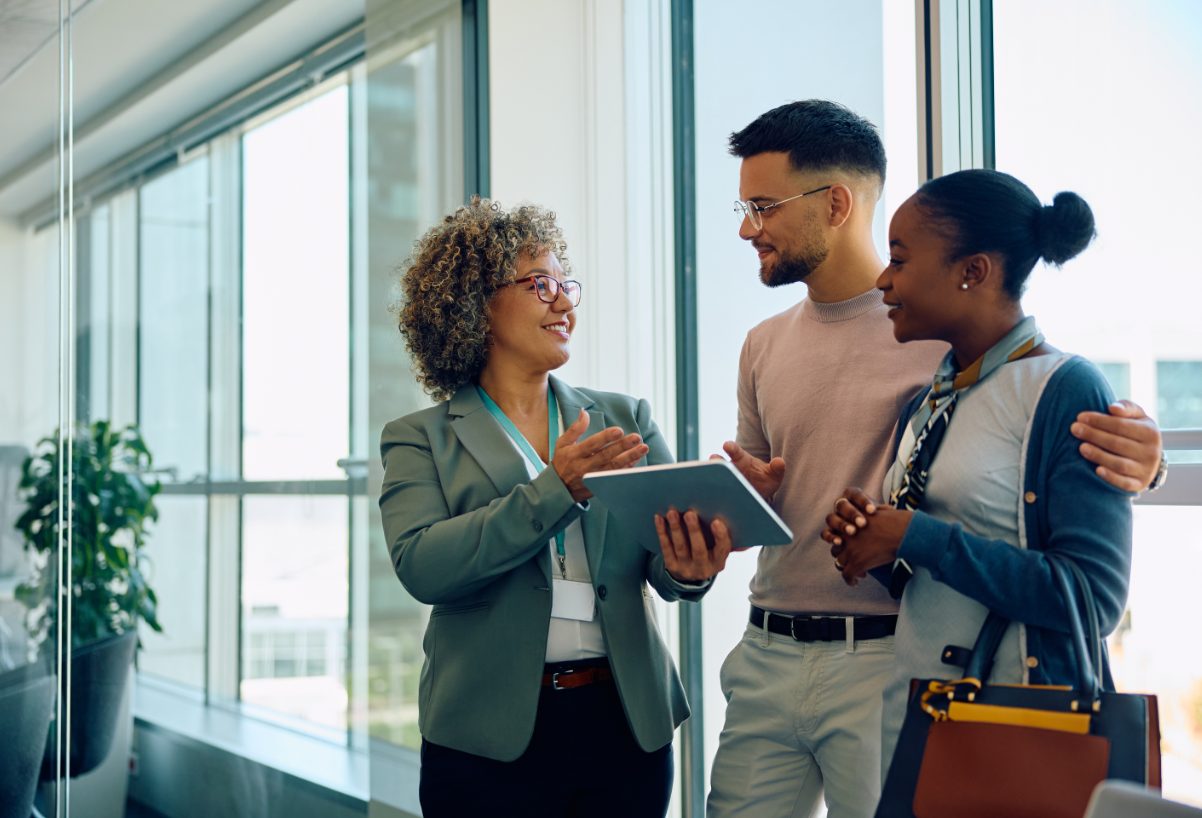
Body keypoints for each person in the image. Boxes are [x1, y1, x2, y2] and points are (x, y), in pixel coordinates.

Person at [706, 100, 1163, 818]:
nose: (746, 226)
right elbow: (930, 528)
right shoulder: (931, 379)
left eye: (763, 206)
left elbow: (1083, 575)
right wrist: (864, 537)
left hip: (938, 679)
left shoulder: (987, 357)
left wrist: (1150, 459)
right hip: (805, 655)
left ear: (834, 203)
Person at [378, 197, 732, 818]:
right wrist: (556, 489)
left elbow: (662, 568)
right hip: (485, 734)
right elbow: (422, 566)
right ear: (474, 301)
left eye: (566, 284)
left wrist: (690, 564)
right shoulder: (420, 436)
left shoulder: (625, 419)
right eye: (541, 284)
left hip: (625, 722)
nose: (565, 302)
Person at [822, 169, 1133, 786]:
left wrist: (914, 535)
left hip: (1015, 728)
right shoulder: (930, 400)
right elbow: (927, 579)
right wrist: (873, 541)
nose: (883, 280)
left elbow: (1092, 600)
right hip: (917, 722)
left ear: (975, 271)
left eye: (900, 260)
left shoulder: (1065, 388)